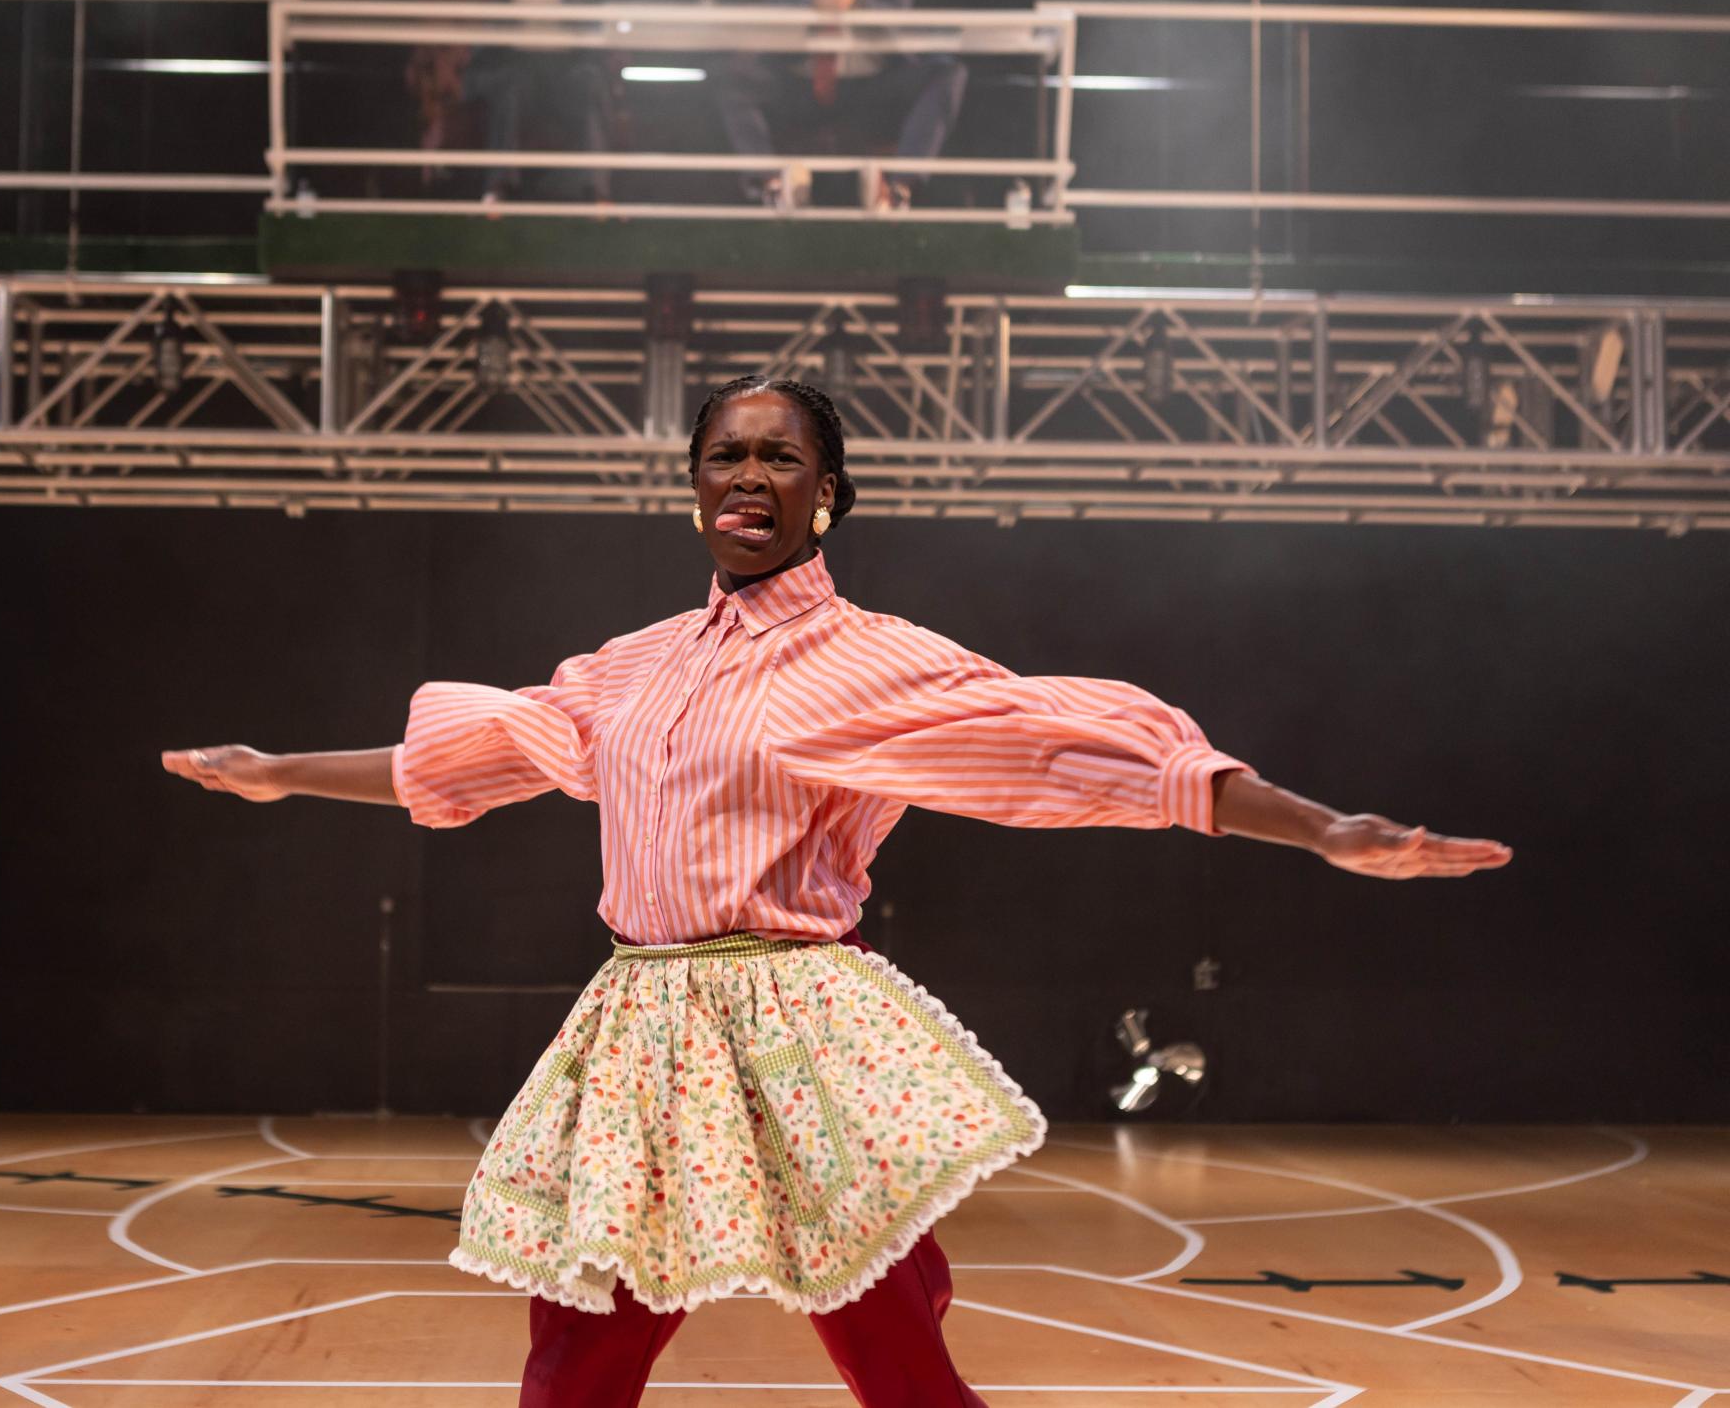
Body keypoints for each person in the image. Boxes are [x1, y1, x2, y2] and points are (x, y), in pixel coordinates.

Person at [162, 375, 1510, 1406]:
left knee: (881, 1333)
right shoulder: (630, 667)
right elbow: (476, 750)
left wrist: (1325, 827)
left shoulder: (871, 662)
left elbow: (1075, 745)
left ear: (830, 493)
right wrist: (276, 771)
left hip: (792, 1014)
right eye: (723, 455)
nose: (747, 474)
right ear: (691, 488)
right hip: (645, 1022)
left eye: (778, 456)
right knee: (585, 1331)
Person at [718, 0, 967, 212]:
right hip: (800, 84)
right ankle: (773, 185)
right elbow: (777, 8)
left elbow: (898, 12)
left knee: (947, 73)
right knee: (732, 74)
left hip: (873, 87)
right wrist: (814, 4)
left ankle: (897, 189)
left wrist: (856, 3)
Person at [454, 0, 618, 203]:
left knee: (590, 81)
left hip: (569, 63)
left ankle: (597, 194)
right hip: (515, 60)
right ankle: (497, 190)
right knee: (512, 83)